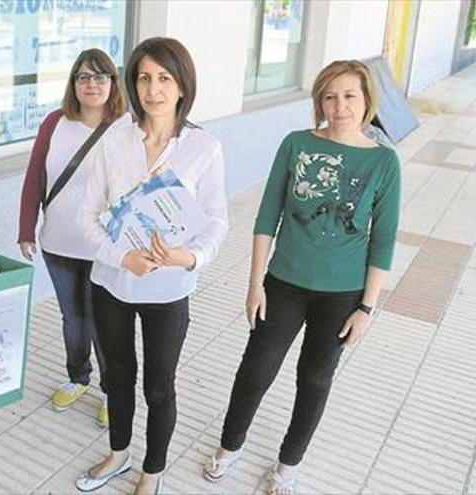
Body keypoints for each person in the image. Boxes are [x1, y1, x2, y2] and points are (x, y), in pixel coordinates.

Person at [202, 60, 401, 495]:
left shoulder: (384, 162)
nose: (340, 105)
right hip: (284, 282)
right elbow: (266, 217)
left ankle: (288, 467)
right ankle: (229, 447)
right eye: (329, 96)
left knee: (314, 378)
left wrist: (367, 307)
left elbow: (383, 240)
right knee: (256, 368)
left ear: (367, 99)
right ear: (318, 101)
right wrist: (254, 284)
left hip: (343, 293)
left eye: (349, 95)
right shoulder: (295, 144)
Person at [77, 37, 229, 495]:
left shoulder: (204, 147)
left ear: (182, 85)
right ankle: (119, 454)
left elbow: (218, 221)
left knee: (159, 387)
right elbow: (85, 216)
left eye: (164, 78)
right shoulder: (114, 139)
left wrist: (190, 258)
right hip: (112, 282)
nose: (153, 89)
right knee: (117, 377)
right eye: (144, 77)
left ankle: (152, 472)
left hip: (167, 291)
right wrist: (121, 256)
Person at [17, 48, 130, 427]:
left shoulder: (126, 127)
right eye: (83, 77)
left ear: (113, 83)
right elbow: (35, 176)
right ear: (73, 84)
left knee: (104, 322)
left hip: (105, 247)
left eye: (101, 77)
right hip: (59, 241)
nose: (92, 84)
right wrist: (25, 228)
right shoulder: (55, 122)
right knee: (73, 318)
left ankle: (113, 392)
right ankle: (78, 376)